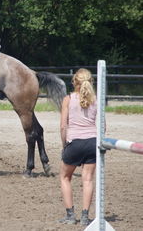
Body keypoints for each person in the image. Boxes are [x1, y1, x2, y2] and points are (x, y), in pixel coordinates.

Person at [59, 68, 97, 226]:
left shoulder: (68, 99)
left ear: (74, 82)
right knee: (87, 179)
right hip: (93, 142)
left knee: (65, 177)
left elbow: (63, 126)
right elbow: (103, 127)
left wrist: (64, 145)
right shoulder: (96, 100)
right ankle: (85, 217)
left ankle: (70, 216)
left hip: (74, 143)